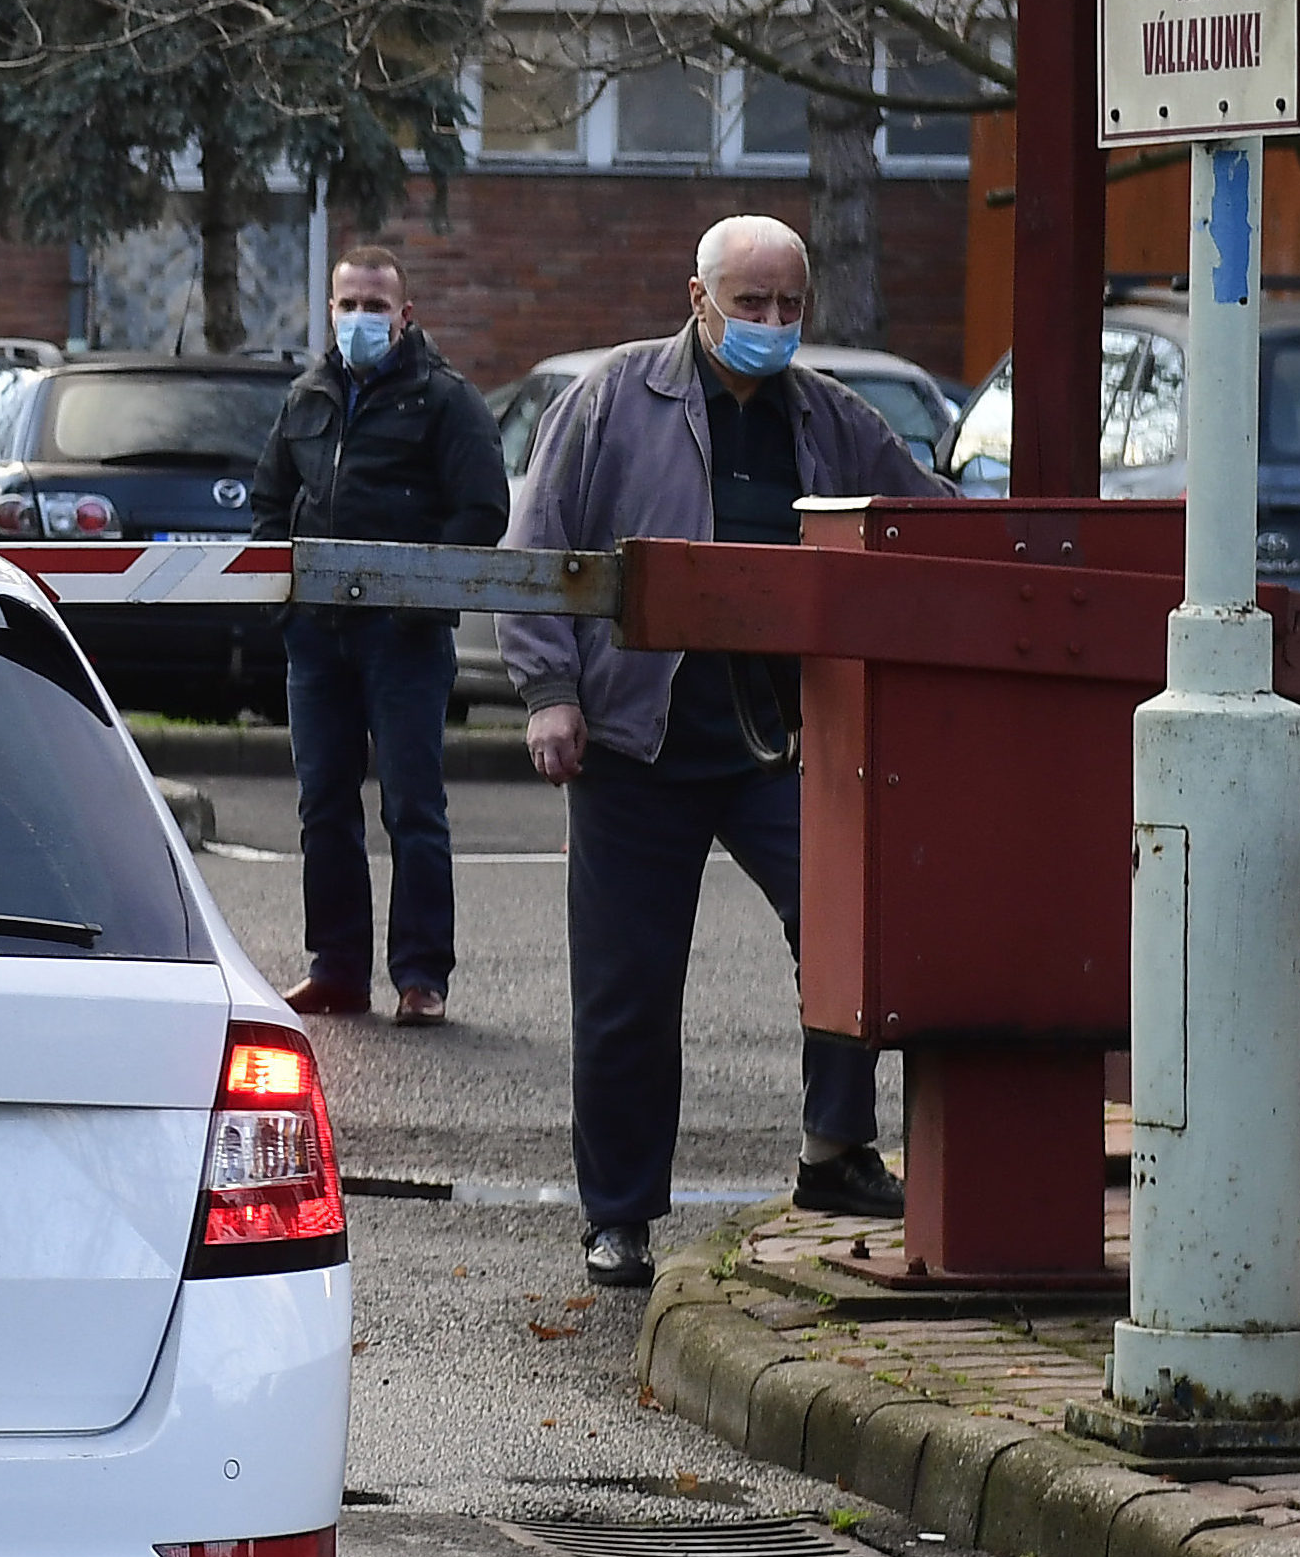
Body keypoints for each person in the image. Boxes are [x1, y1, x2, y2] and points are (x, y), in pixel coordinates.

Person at [500, 213, 946, 1293]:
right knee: (626, 992)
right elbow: (533, 551)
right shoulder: (610, 400)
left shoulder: (830, 419)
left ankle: (834, 1152)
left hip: (779, 745)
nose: (772, 324)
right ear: (697, 299)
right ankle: (617, 1216)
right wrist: (549, 694)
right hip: (633, 741)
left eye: (790, 305)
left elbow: (931, 524)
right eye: (751, 305)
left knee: (850, 935)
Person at [248, 247, 508, 1025]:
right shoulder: (307, 397)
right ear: (329, 310)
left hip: (404, 642)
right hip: (316, 639)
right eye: (348, 303)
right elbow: (270, 500)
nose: (362, 317)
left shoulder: (444, 400)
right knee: (323, 804)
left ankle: (421, 976)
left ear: (405, 314)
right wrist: (284, 607)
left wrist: (415, 603)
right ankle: (337, 968)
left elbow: (481, 511)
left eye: (376, 304)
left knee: (412, 807)